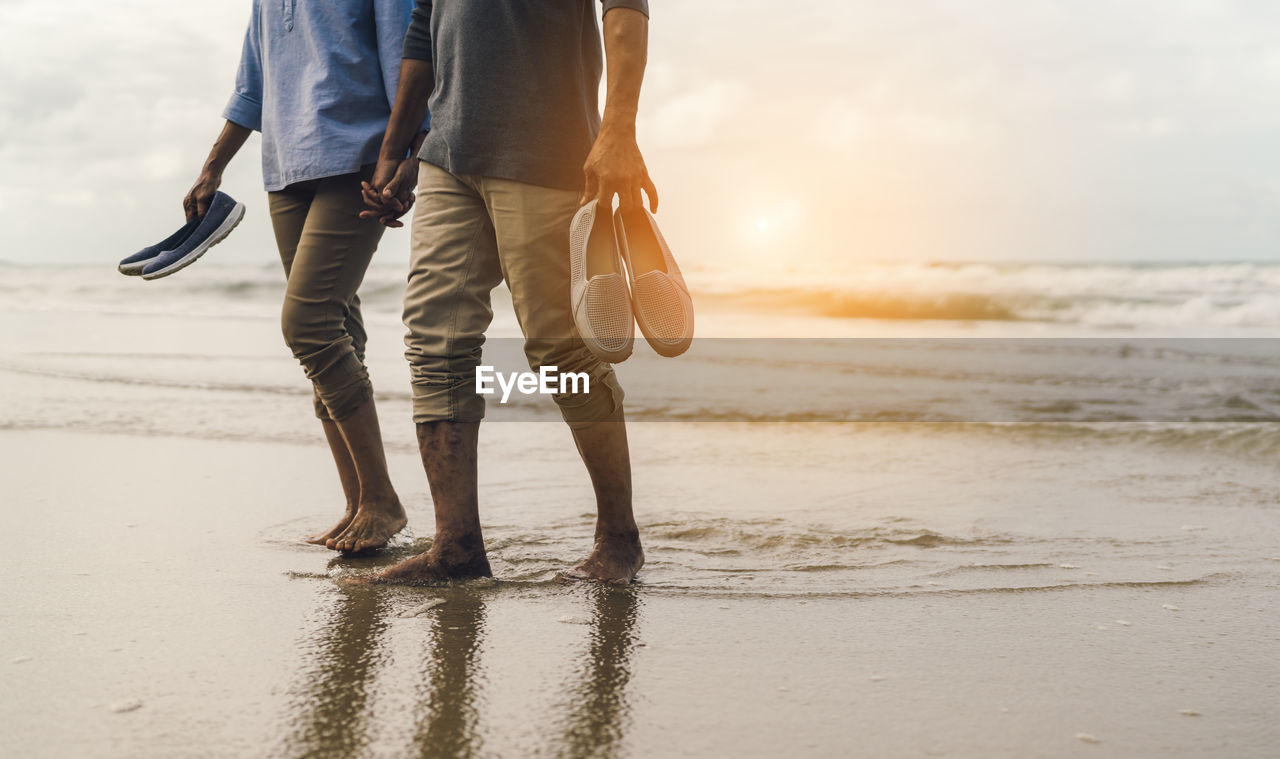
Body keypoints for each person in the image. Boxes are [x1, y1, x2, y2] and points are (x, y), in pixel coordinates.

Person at [359, 0, 656, 584]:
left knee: (561, 350)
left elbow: (626, 7)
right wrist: (396, 148)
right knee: (434, 343)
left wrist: (619, 129)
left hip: (547, 145)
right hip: (446, 152)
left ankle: (619, 539)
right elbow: (425, 28)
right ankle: (456, 549)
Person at [186, 0, 429, 552]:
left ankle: (383, 502)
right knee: (338, 328)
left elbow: (409, 61)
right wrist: (212, 167)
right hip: (286, 168)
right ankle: (358, 502)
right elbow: (252, 85)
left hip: (360, 162)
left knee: (309, 325)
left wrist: (408, 157)